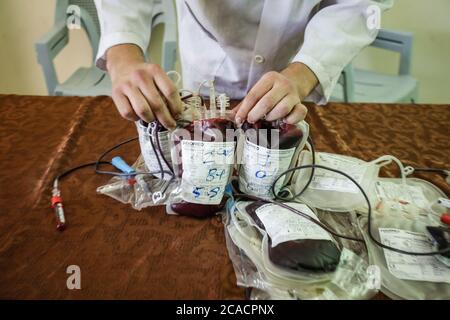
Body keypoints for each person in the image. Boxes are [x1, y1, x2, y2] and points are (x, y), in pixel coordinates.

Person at [94, 0, 392, 129]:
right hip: (207, 66)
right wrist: (122, 55)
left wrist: (304, 73)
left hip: (296, 67)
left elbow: (356, 5)